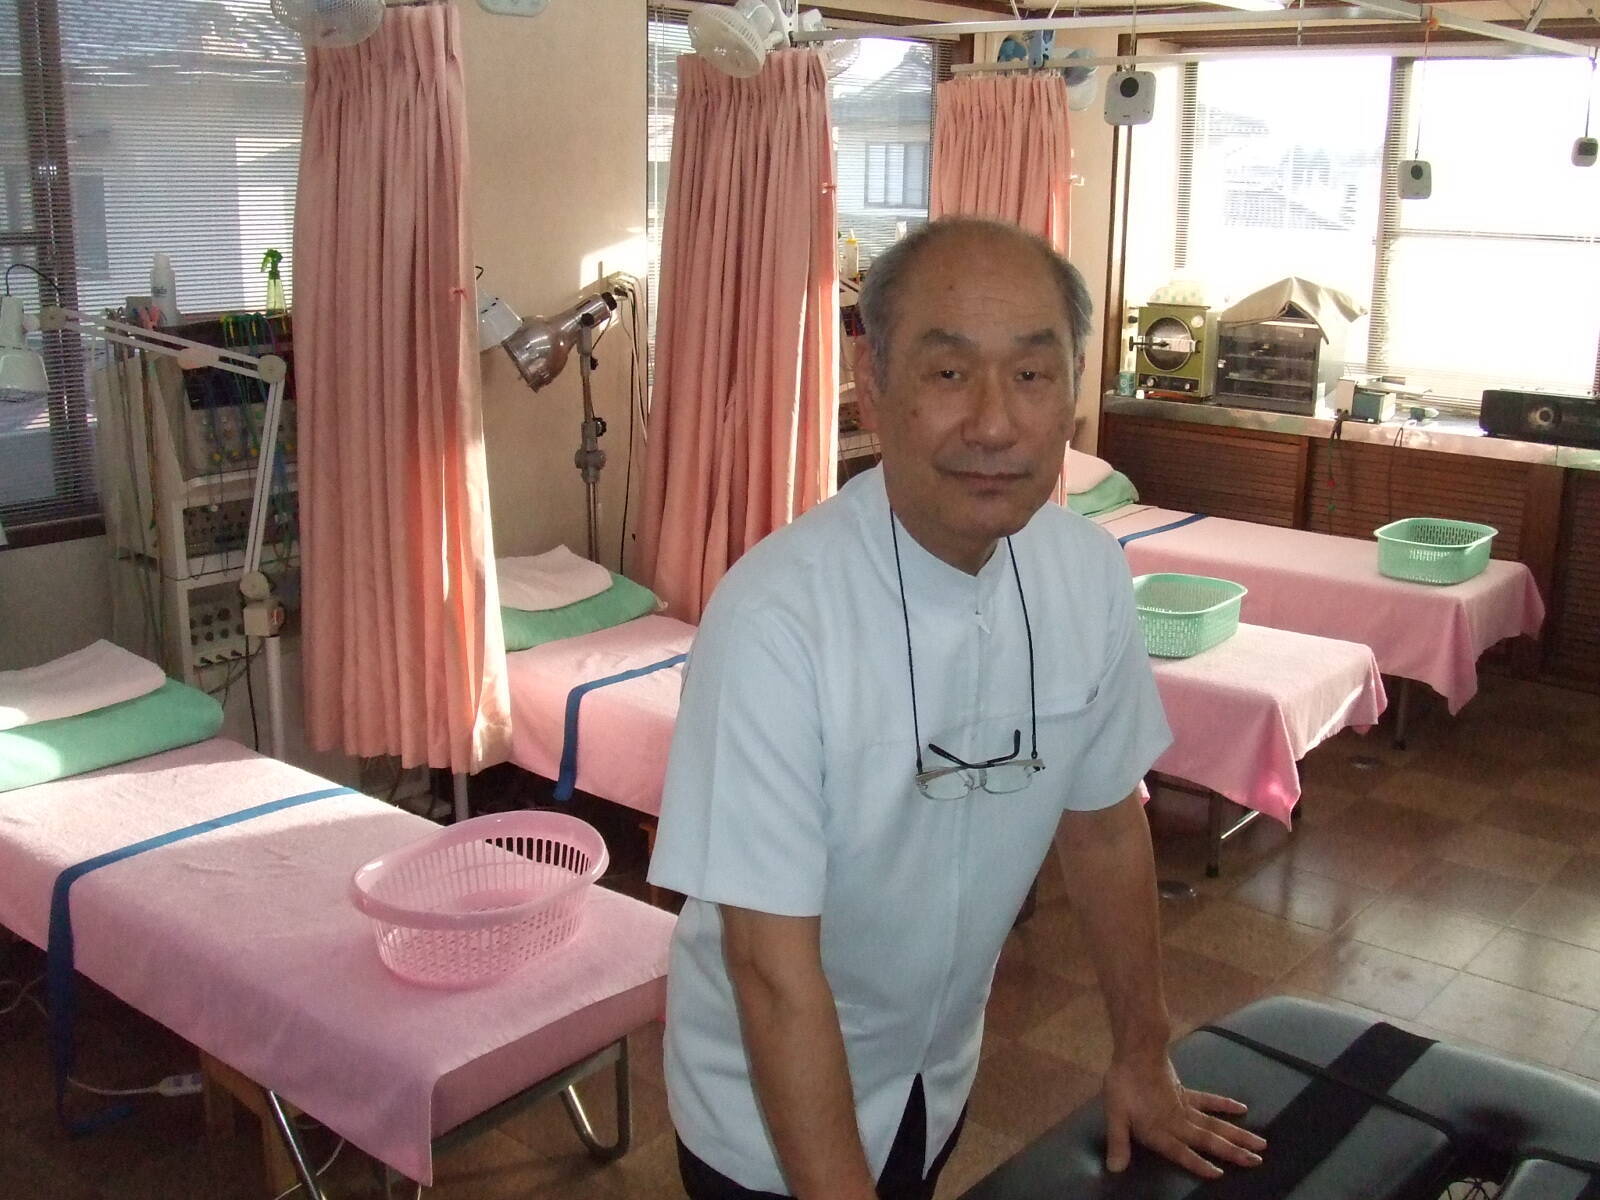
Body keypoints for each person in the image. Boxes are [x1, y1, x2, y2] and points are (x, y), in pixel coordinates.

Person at [646, 217, 1267, 1200]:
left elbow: (1105, 828)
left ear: (1071, 391)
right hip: (766, 1107)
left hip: (936, 1077)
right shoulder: (776, 619)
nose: (992, 423)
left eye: (1031, 375)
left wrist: (1142, 1054)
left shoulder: (1086, 575)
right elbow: (769, 968)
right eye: (947, 373)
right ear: (871, 382)